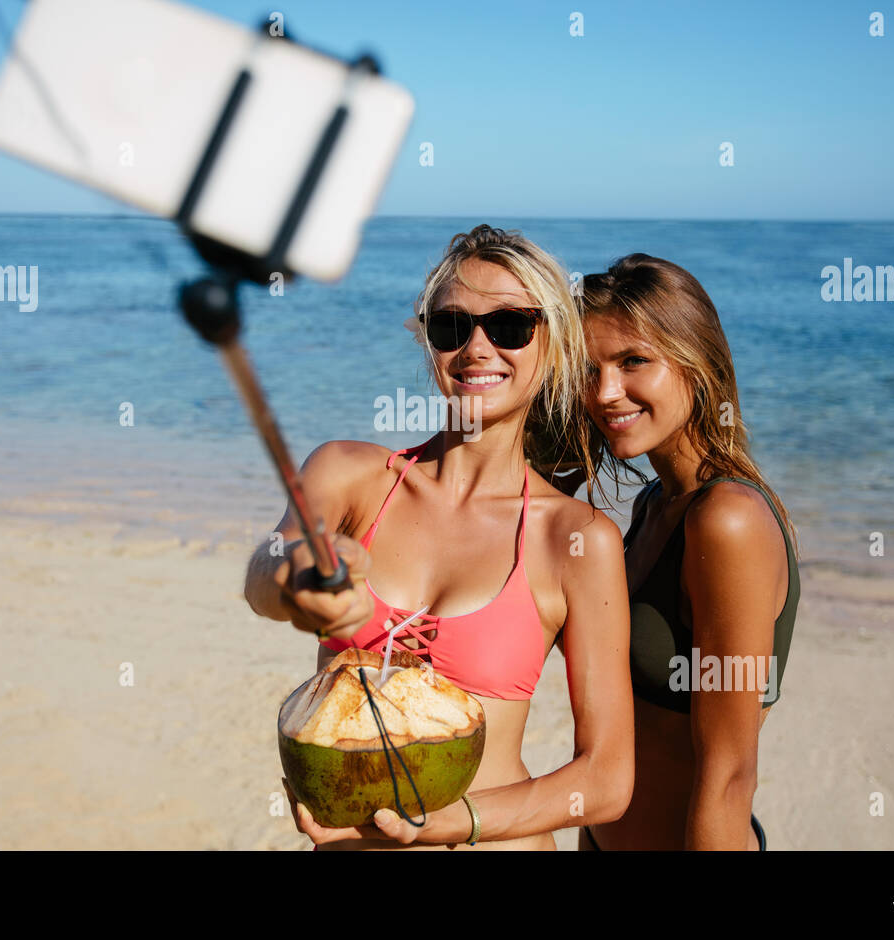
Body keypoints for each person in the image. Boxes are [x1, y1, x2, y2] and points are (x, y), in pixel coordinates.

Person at [243, 224, 633, 850]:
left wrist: (455, 823)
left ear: (553, 345)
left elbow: (607, 780)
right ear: (428, 340)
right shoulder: (351, 475)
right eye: (453, 325)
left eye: (509, 325)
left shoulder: (574, 538)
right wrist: (296, 577)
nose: (478, 348)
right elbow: (263, 574)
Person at [565, 254, 799, 850]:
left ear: (696, 362)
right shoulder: (652, 506)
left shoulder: (728, 522)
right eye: (588, 372)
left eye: (633, 361)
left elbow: (729, 775)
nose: (605, 393)